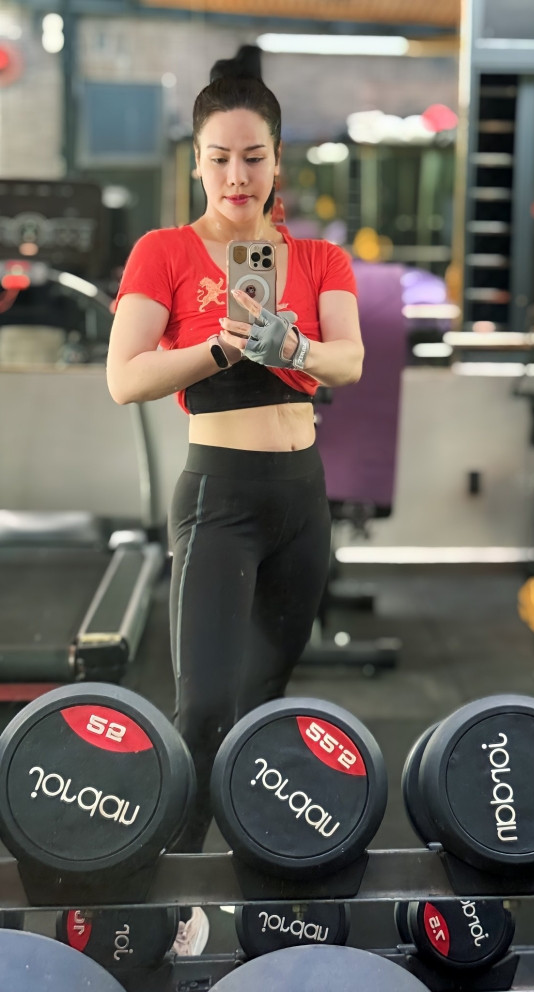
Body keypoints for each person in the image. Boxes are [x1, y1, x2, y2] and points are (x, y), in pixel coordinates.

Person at [106, 51, 363, 952]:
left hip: (301, 495)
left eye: (253, 157)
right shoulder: (165, 252)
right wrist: (220, 347)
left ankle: (257, 888)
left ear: (278, 159)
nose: (237, 176)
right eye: (219, 158)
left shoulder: (319, 257)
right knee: (204, 707)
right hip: (219, 495)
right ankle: (167, 897)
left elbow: (348, 361)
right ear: (197, 162)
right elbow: (124, 378)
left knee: (264, 703)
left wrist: (292, 344)